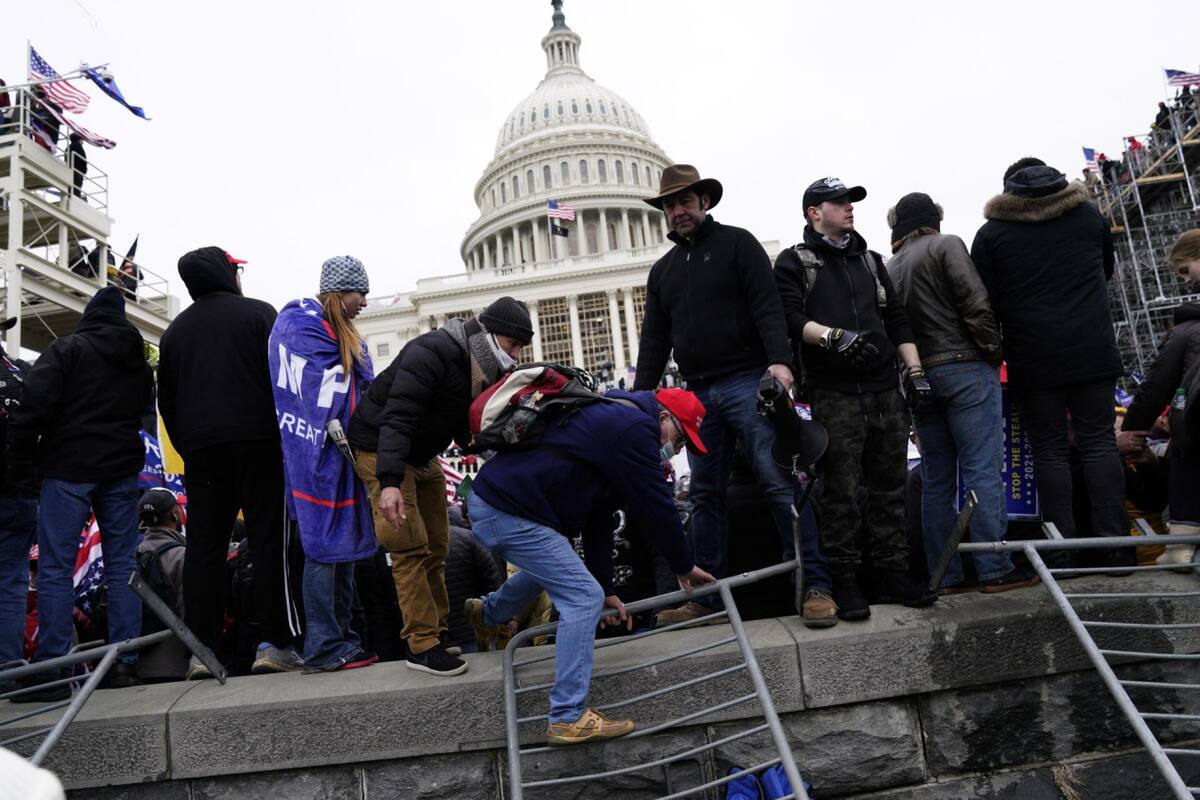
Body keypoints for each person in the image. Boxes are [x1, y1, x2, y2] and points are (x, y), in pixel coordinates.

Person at [632, 164, 834, 629]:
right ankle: (707, 600)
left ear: (704, 201)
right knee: (704, 495)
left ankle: (815, 583)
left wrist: (780, 361)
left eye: (685, 201)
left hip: (747, 379)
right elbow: (653, 341)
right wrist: (641, 400)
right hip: (699, 393)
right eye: (669, 205)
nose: (678, 211)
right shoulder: (663, 272)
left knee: (778, 480)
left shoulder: (738, 244)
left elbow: (767, 306)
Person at [465, 387, 714, 745]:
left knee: (559, 571)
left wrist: (607, 588)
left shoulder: (613, 421)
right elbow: (657, 505)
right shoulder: (635, 428)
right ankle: (567, 716)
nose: (677, 450)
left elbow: (599, 519)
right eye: (681, 438)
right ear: (663, 418)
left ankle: (488, 613)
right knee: (582, 596)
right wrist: (684, 564)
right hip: (507, 511)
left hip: (500, 505)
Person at [773, 177, 937, 620]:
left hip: (884, 390)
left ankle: (892, 572)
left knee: (890, 487)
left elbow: (897, 318)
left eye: (850, 201)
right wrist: (834, 338)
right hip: (833, 393)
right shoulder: (794, 261)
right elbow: (789, 317)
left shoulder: (870, 260)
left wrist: (915, 371)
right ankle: (844, 579)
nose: (849, 207)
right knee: (839, 492)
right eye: (839, 202)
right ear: (814, 213)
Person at [347, 297, 532, 676]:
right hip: (381, 448)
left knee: (437, 546)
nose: (514, 355)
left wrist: (483, 442)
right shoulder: (431, 352)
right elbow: (397, 416)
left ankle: (438, 632)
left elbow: (458, 419)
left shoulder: (477, 364)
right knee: (408, 546)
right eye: (513, 345)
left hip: (421, 453)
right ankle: (421, 645)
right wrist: (389, 483)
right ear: (492, 335)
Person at [971, 158, 1133, 572]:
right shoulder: (1088, 216)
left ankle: (1061, 551)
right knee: (1099, 443)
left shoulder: (992, 234)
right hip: (1093, 349)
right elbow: (1106, 269)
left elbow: (986, 299)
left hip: (1033, 357)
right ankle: (1117, 547)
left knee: (1049, 451)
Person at [158, 247, 302, 678]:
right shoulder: (259, 314)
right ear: (227, 273)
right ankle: (275, 643)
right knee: (268, 540)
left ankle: (201, 651)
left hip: (202, 451)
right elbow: (284, 381)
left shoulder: (175, 332)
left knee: (204, 548)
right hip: (259, 442)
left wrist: (190, 446)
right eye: (236, 269)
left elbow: (167, 402)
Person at [7, 287, 153, 700]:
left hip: (67, 468)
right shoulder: (138, 364)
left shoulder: (68, 349)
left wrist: (23, 460)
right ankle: (123, 662)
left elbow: (33, 405)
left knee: (55, 567)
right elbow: (144, 412)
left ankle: (53, 668)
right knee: (122, 565)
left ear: (89, 316)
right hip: (120, 471)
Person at [886, 192, 1035, 593]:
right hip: (965, 365)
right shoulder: (945, 245)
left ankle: (945, 575)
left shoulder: (890, 266)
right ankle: (994, 568)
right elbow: (976, 302)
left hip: (919, 377)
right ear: (934, 219)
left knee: (936, 478)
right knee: (981, 469)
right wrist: (992, 352)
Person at [270, 256, 379, 672]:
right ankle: (323, 644)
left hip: (342, 456)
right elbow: (318, 390)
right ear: (337, 292)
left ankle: (343, 639)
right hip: (315, 455)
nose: (364, 302)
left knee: (343, 548)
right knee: (323, 549)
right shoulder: (300, 327)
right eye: (359, 293)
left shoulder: (338, 333)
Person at [1120, 230, 1200, 568]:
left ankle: (1181, 549)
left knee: (1185, 460)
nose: (1186, 281)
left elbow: (1155, 388)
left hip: (1194, 427)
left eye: (1185, 270)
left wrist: (1132, 430)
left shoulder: (1186, 330)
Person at [0, 318, 37, 690]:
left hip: (19, 494)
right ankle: (7, 668)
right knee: (11, 583)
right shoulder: (22, 375)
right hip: (20, 493)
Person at [134, 487, 188, 683]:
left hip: (136, 664)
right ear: (175, 513)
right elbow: (189, 613)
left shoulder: (128, 559)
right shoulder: (183, 556)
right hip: (176, 665)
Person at [67, 133, 86, 200]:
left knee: (70, 189)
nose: (83, 142)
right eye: (82, 139)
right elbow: (83, 159)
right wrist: (84, 170)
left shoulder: (68, 148)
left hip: (69, 171)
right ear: (78, 139)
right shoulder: (78, 146)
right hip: (77, 171)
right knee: (76, 190)